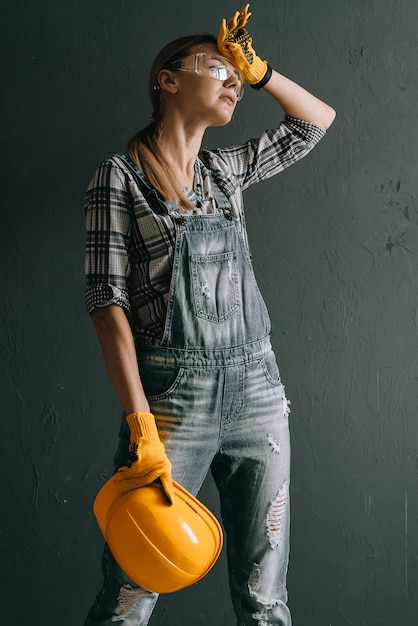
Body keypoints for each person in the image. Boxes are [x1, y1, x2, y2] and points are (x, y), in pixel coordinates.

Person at [83, 4, 335, 625]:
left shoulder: (226, 173)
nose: (232, 82)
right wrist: (140, 421)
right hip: (171, 403)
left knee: (264, 598)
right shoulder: (120, 178)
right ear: (167, 80)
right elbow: (106, 305)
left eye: (236, 73)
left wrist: (261, 69)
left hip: (258, 391)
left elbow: (315, 122)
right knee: (131, 595)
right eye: (217, 67)